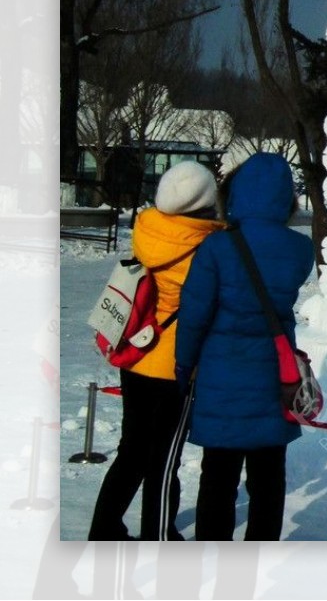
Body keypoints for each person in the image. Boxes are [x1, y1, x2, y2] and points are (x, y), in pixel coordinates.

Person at [175, 152, 314, 540]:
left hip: (222, 376)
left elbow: (194, 315)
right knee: (268, 478)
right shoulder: (298, 250)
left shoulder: (218, 248)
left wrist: (184, 367)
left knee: (218, 477)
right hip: (274, 374)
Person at [88, 160, 223, 540]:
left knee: (131, 450)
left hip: (136, 352)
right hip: (176, 365)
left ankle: (103, 529)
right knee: (164, 459)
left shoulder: (147, 228)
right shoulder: (209, 244)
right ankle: (159, 535)